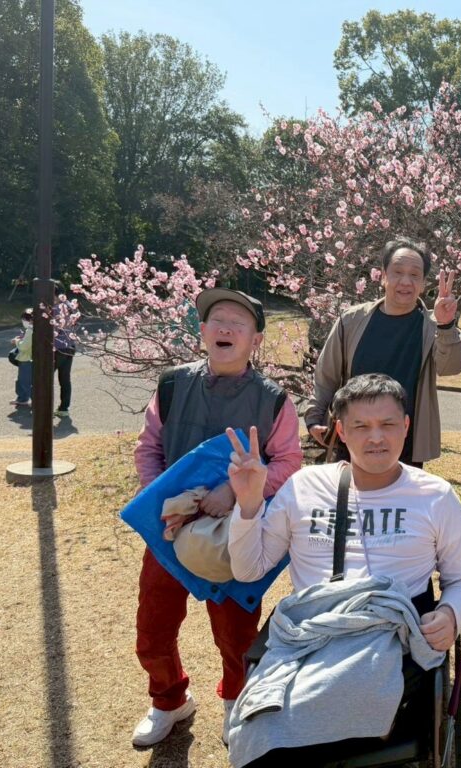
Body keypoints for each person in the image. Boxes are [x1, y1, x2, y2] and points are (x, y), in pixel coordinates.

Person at [226, 373, 461, 764]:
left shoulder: (435, 496)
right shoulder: (304, 487)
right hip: (311, 635)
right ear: (341, 431)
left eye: (388, 424)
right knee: (266, 726)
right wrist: (247, 506)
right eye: (361, 426)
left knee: (308, 718)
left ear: (406, 426)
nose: (376, 437)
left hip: (390, 641)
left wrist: (450, 614)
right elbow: (248, 570)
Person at [131, 287, 303, 749]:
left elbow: (289, 462)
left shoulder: (273, 400)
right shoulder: (172, 386)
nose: (226, 328)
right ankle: (169, 700)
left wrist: (237, 491)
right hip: (170, 529)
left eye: (238, 323)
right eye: (217, 320)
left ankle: (235, 699)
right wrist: (161, 500)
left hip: (238, 532)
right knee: (153, 627)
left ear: (255, 340)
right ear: (204, 331)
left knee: (235, 632)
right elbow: (148, 448)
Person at [304, 237, 461, 467]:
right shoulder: (352, 321)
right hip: (352, 441)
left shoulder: (432, 327)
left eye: (415, 275)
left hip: (404, 446)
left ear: (423, 283)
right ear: (383, 276)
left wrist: (446, 325)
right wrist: (314, 417)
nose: (405, 281)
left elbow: (452, 367)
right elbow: (326, 375)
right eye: (397, 272)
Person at [52, 283, 78, 418]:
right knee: (65, 378)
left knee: (45, 378)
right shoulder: (70, 306)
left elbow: (52, 329)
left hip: (57, 347)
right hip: (70, 346)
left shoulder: (56, 309)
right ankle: (64, 408)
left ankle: (46, 408)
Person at [10, 309, 33, 407]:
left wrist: (17, 341)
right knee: (28, 380)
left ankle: (24, 399)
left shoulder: (30, 331)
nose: (23, 322)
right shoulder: (37, 329)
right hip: (32, 358)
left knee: (23, 381)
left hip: (26, 358)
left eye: (24, 320)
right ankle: (25, 398)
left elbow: (24, 346)